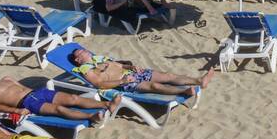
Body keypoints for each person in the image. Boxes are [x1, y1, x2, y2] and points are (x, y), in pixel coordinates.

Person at [0, 69, 117, 122]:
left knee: (73, 98)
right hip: (26, 103)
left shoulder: (6, 78)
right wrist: (17, 111)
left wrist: (38, 93)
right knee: (59, 110)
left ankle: (106, 104)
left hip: (36, 93)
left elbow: (23, 87)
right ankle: (90, 117)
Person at [69, 48, 214, 98]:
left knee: (167, 76)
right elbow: (99, 83)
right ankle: (184, 92)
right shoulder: (85, 69)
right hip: (126, 82)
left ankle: (199, 81)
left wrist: (130, 67)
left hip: (130, 73)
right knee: (155, 86)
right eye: (81, 52)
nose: (84, 50)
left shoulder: (98, 58)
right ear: (78, 59)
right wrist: (122, 81)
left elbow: (118, 64)